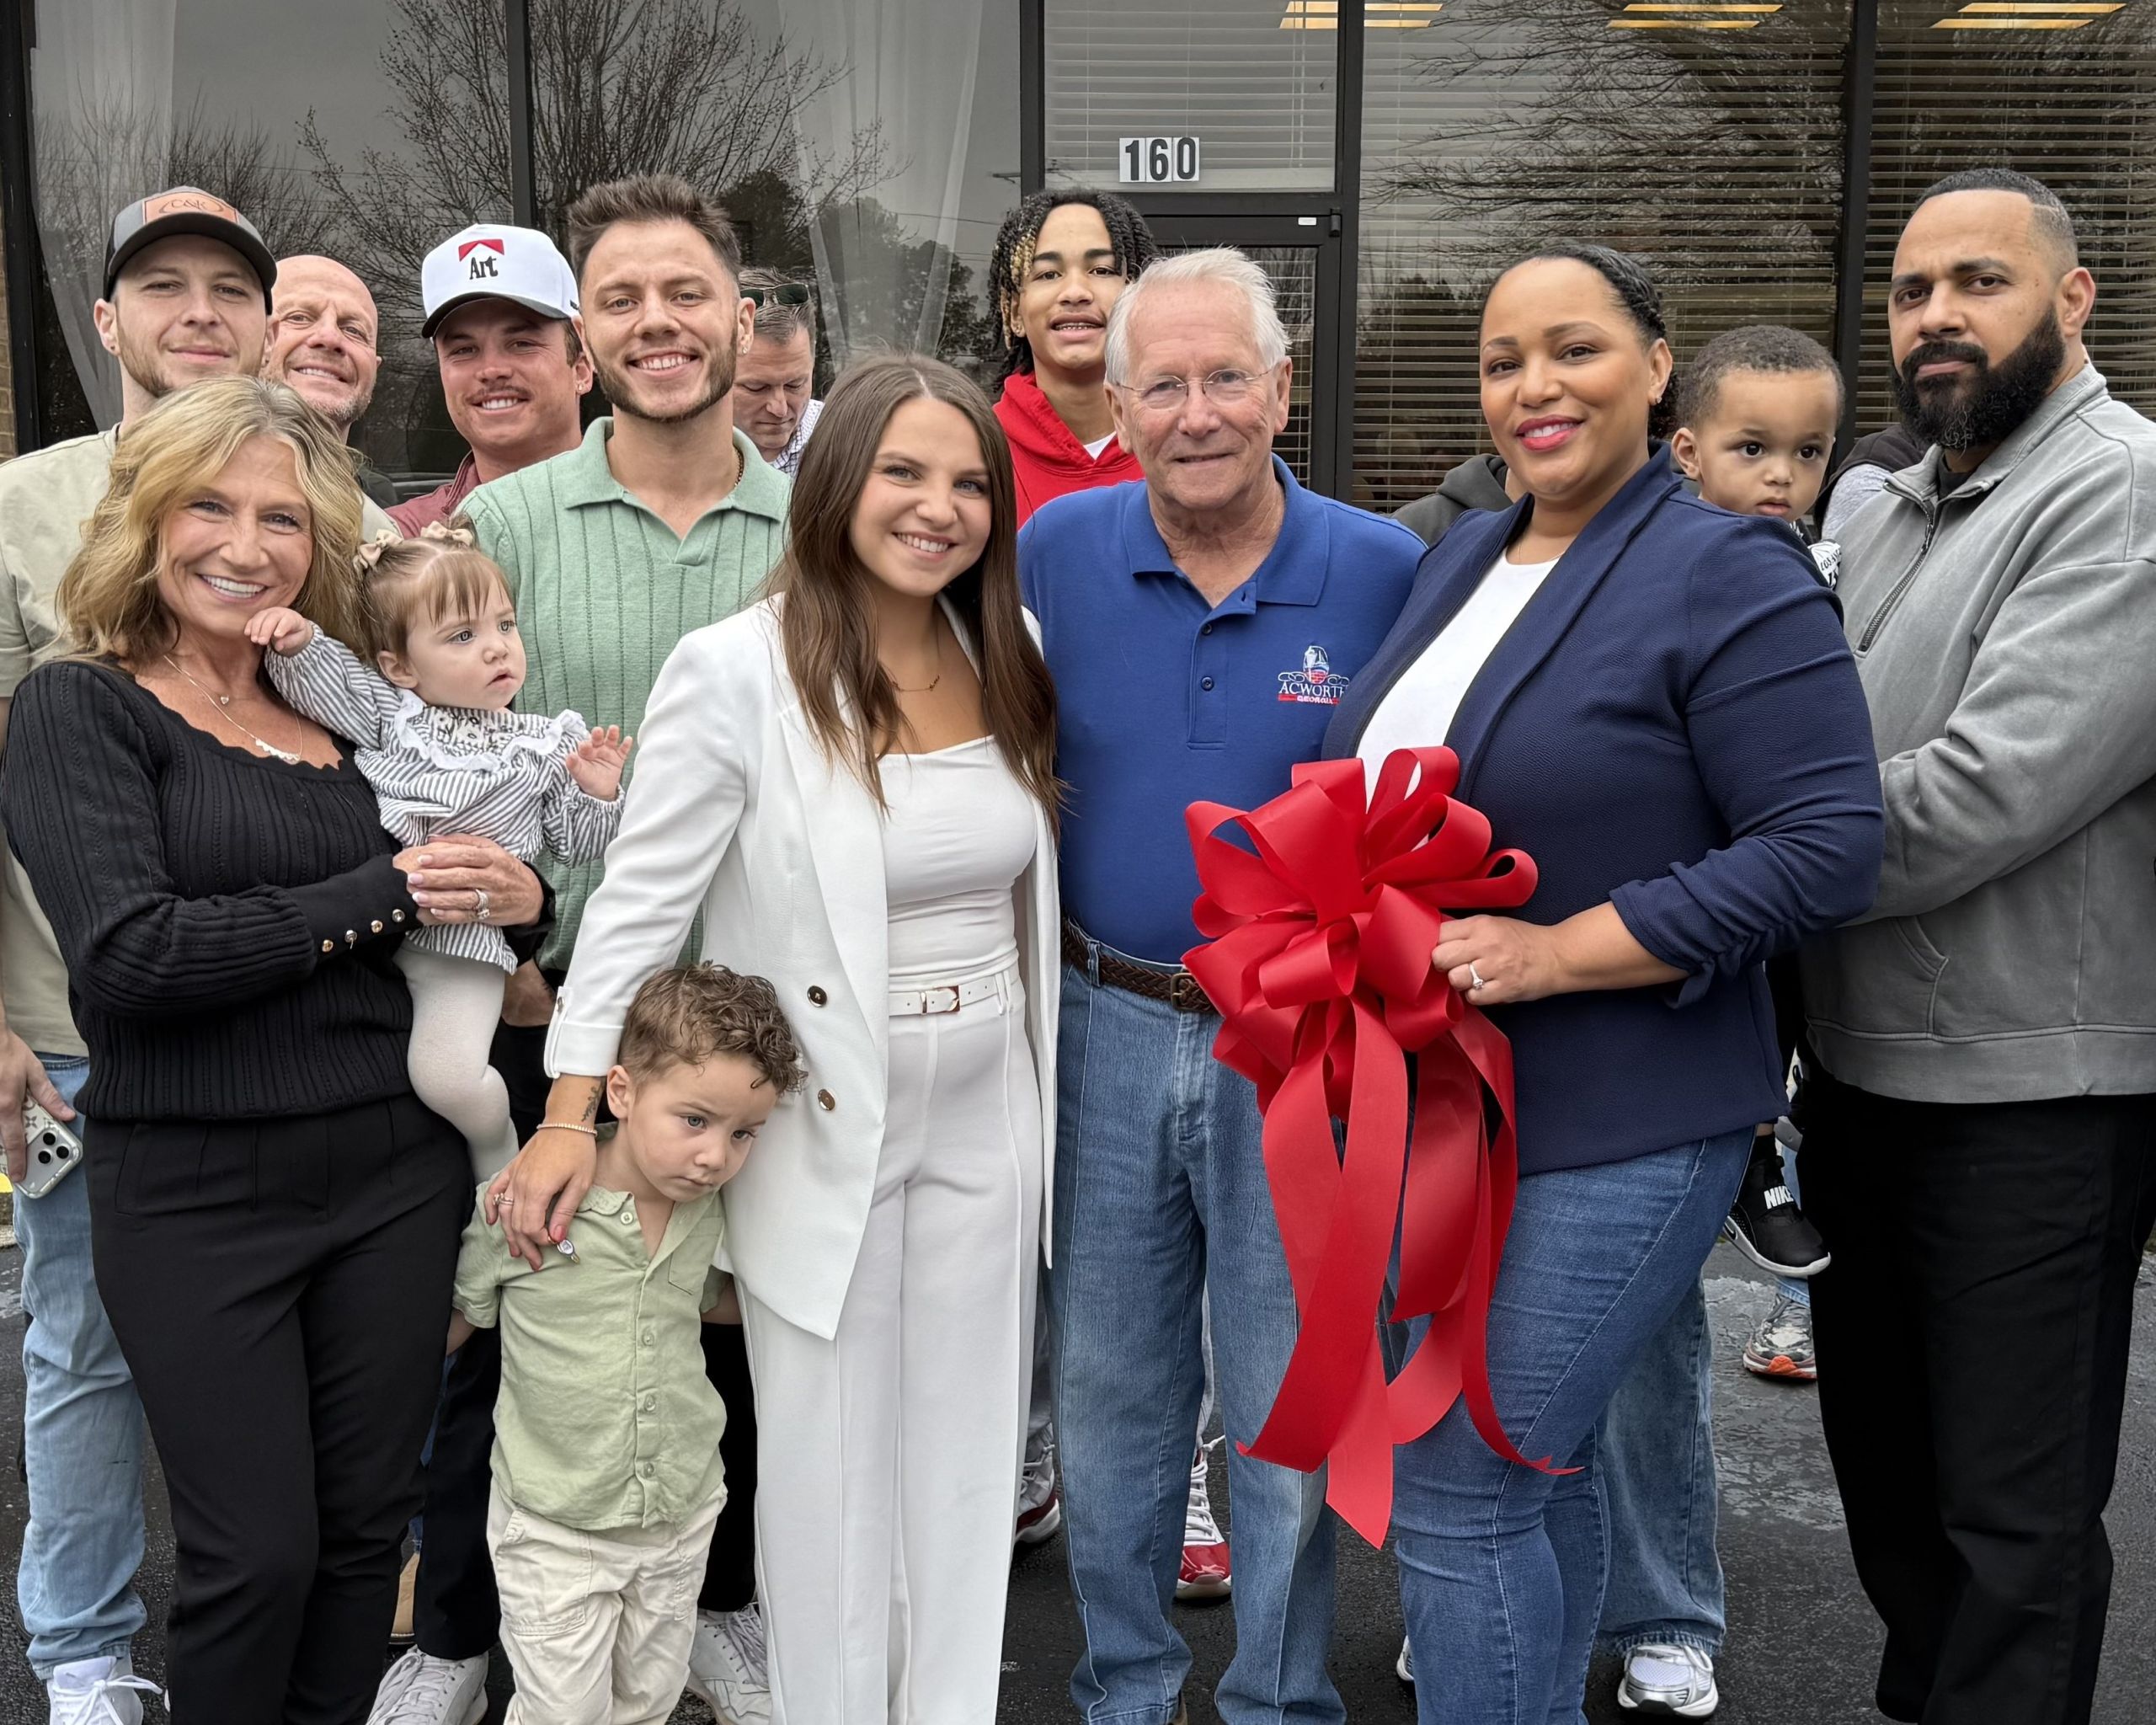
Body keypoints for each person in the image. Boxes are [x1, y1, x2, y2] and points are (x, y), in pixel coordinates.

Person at [1321, 242, 1881, 1725]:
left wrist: (1563, 950)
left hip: (1626, 1109)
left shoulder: (1728, 567)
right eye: (1503, 361)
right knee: (1529, 1478)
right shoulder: (1461, 557)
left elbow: (1828, 847)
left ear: (1656, 370)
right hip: (1452, 1107)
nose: (1533, 387)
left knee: (1462, 1476)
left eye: (1572, 350)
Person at [491, 352, 1061, 1724]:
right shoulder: (736, 669)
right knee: (830, 1474)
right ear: (836, 483)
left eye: (970, 479)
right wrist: (575, 1110)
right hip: (821, 1122)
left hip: (990, 1107)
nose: (939, 506)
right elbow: (637, 908)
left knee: (971, 1465)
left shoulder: (1011, 648)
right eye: (904, 472)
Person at [0, 375, 548, 1725]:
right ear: (143, 519)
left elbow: (485, 853)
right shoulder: (86, 709)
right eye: (210, 506)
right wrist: (387, 891)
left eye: (284, 520)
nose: (247, 546)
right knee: (258, 1556)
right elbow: (132, 958)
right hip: (194, 1188)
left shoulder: (355, 721)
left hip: (392, 1176)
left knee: (366, 1540)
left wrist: (521, 898)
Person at [372, 175, 790, 1725]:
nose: (658, 324)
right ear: (590, 336)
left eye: (686, 294)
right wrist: (525, 934)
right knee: (515, 1307)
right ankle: (465, 1626)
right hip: (547, 996)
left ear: (739, 315)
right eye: (622, 301)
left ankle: (724, 1605)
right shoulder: (510, 521)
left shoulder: (811, 513)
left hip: (744, 1016)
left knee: (722, 1326)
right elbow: (446, 732)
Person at [1021, 247, 1422, 1725]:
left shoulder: (1384, 568)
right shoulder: (1052, 552)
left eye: (1227, 376)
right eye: (1163, 383)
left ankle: (1277, 1693)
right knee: (1114, 1393)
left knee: (1284, 1393)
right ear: (1114, 402)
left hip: (1304, 1045)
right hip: (1103, 1020)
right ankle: (1124, 1684)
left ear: (1283, 386)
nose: (1198, 412)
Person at [1797, 168, 2156, 1725]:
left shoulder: (2128, 493)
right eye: (1910, 290)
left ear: (2071, 301)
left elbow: (1985, 792)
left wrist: (1718, 882)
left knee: (2011, 1520)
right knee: (1888, 1481)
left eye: (1979, 282)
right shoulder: (1876, 497)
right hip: (1862, 1071)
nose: (1937, 316)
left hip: (2035, 1103)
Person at [0, 183, 275, 1725]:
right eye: (159, 286)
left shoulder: (314, 490)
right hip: (79, 1017)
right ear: (106, 319)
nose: (196, 312)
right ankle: (86, 1652)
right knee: (86, 1344)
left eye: (227, 288)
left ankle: (294, 1616)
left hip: (274, 1007)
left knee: (278, 1333)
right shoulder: (21, 506)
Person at [1572, 320, 1853, 1722]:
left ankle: (1668, 1610)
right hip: (1539, 1025)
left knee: (1647, 1348)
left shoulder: (1793, 589)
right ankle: (1504, 1594)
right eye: (1751, 448)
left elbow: (1803, 832)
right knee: (1498, 1345)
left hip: (1677, 1013)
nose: (1781, 477)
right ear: (1683, 448)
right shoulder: (1584, 565)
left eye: (1808, 453)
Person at [447, 964, 803, 1725]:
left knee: (647, 1700)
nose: (716, 1156)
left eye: (744, 1133)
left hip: (680, 1515)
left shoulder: (708, 1214)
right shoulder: (527, 1206)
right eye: (695, 1120)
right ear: (621, 1093)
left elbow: (713, 1304)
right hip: (556, 1525)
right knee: (563, 1713)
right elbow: (460, 1317)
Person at [248, 525, 631, 1176]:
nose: (496, 650)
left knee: (447, 1079)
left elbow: (576, 845)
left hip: (460, 944)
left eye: (505, 626)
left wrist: (598, 794)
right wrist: (298, 639)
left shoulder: (540, 743)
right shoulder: (392, 713)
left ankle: (498, 1156)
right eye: (462, 636)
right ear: (400, 665)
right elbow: (329, 681)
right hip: (365, 936)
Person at [391, 224, 593, 535]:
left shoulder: (659, 511)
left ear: (581, 366)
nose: (492, 369)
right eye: (464, 349)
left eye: (521, 343)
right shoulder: (398, 540)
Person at [990, 189, 1160, 523]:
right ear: (1014, 314)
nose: (1075, 293)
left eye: (1101, 270)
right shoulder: (976, 450)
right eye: (1048, 274)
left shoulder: (1185, 442)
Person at [260, 254, 399, 518]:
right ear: (255, 338)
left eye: (354, 330)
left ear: (374, 369)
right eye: (299, 317)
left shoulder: (393, 520)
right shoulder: (172, 485)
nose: (330, 337)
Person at [734, 268, 821, 477]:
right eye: (757, 388)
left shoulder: (852, 443)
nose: (779, 409)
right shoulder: (672, 452)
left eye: (795, 385)